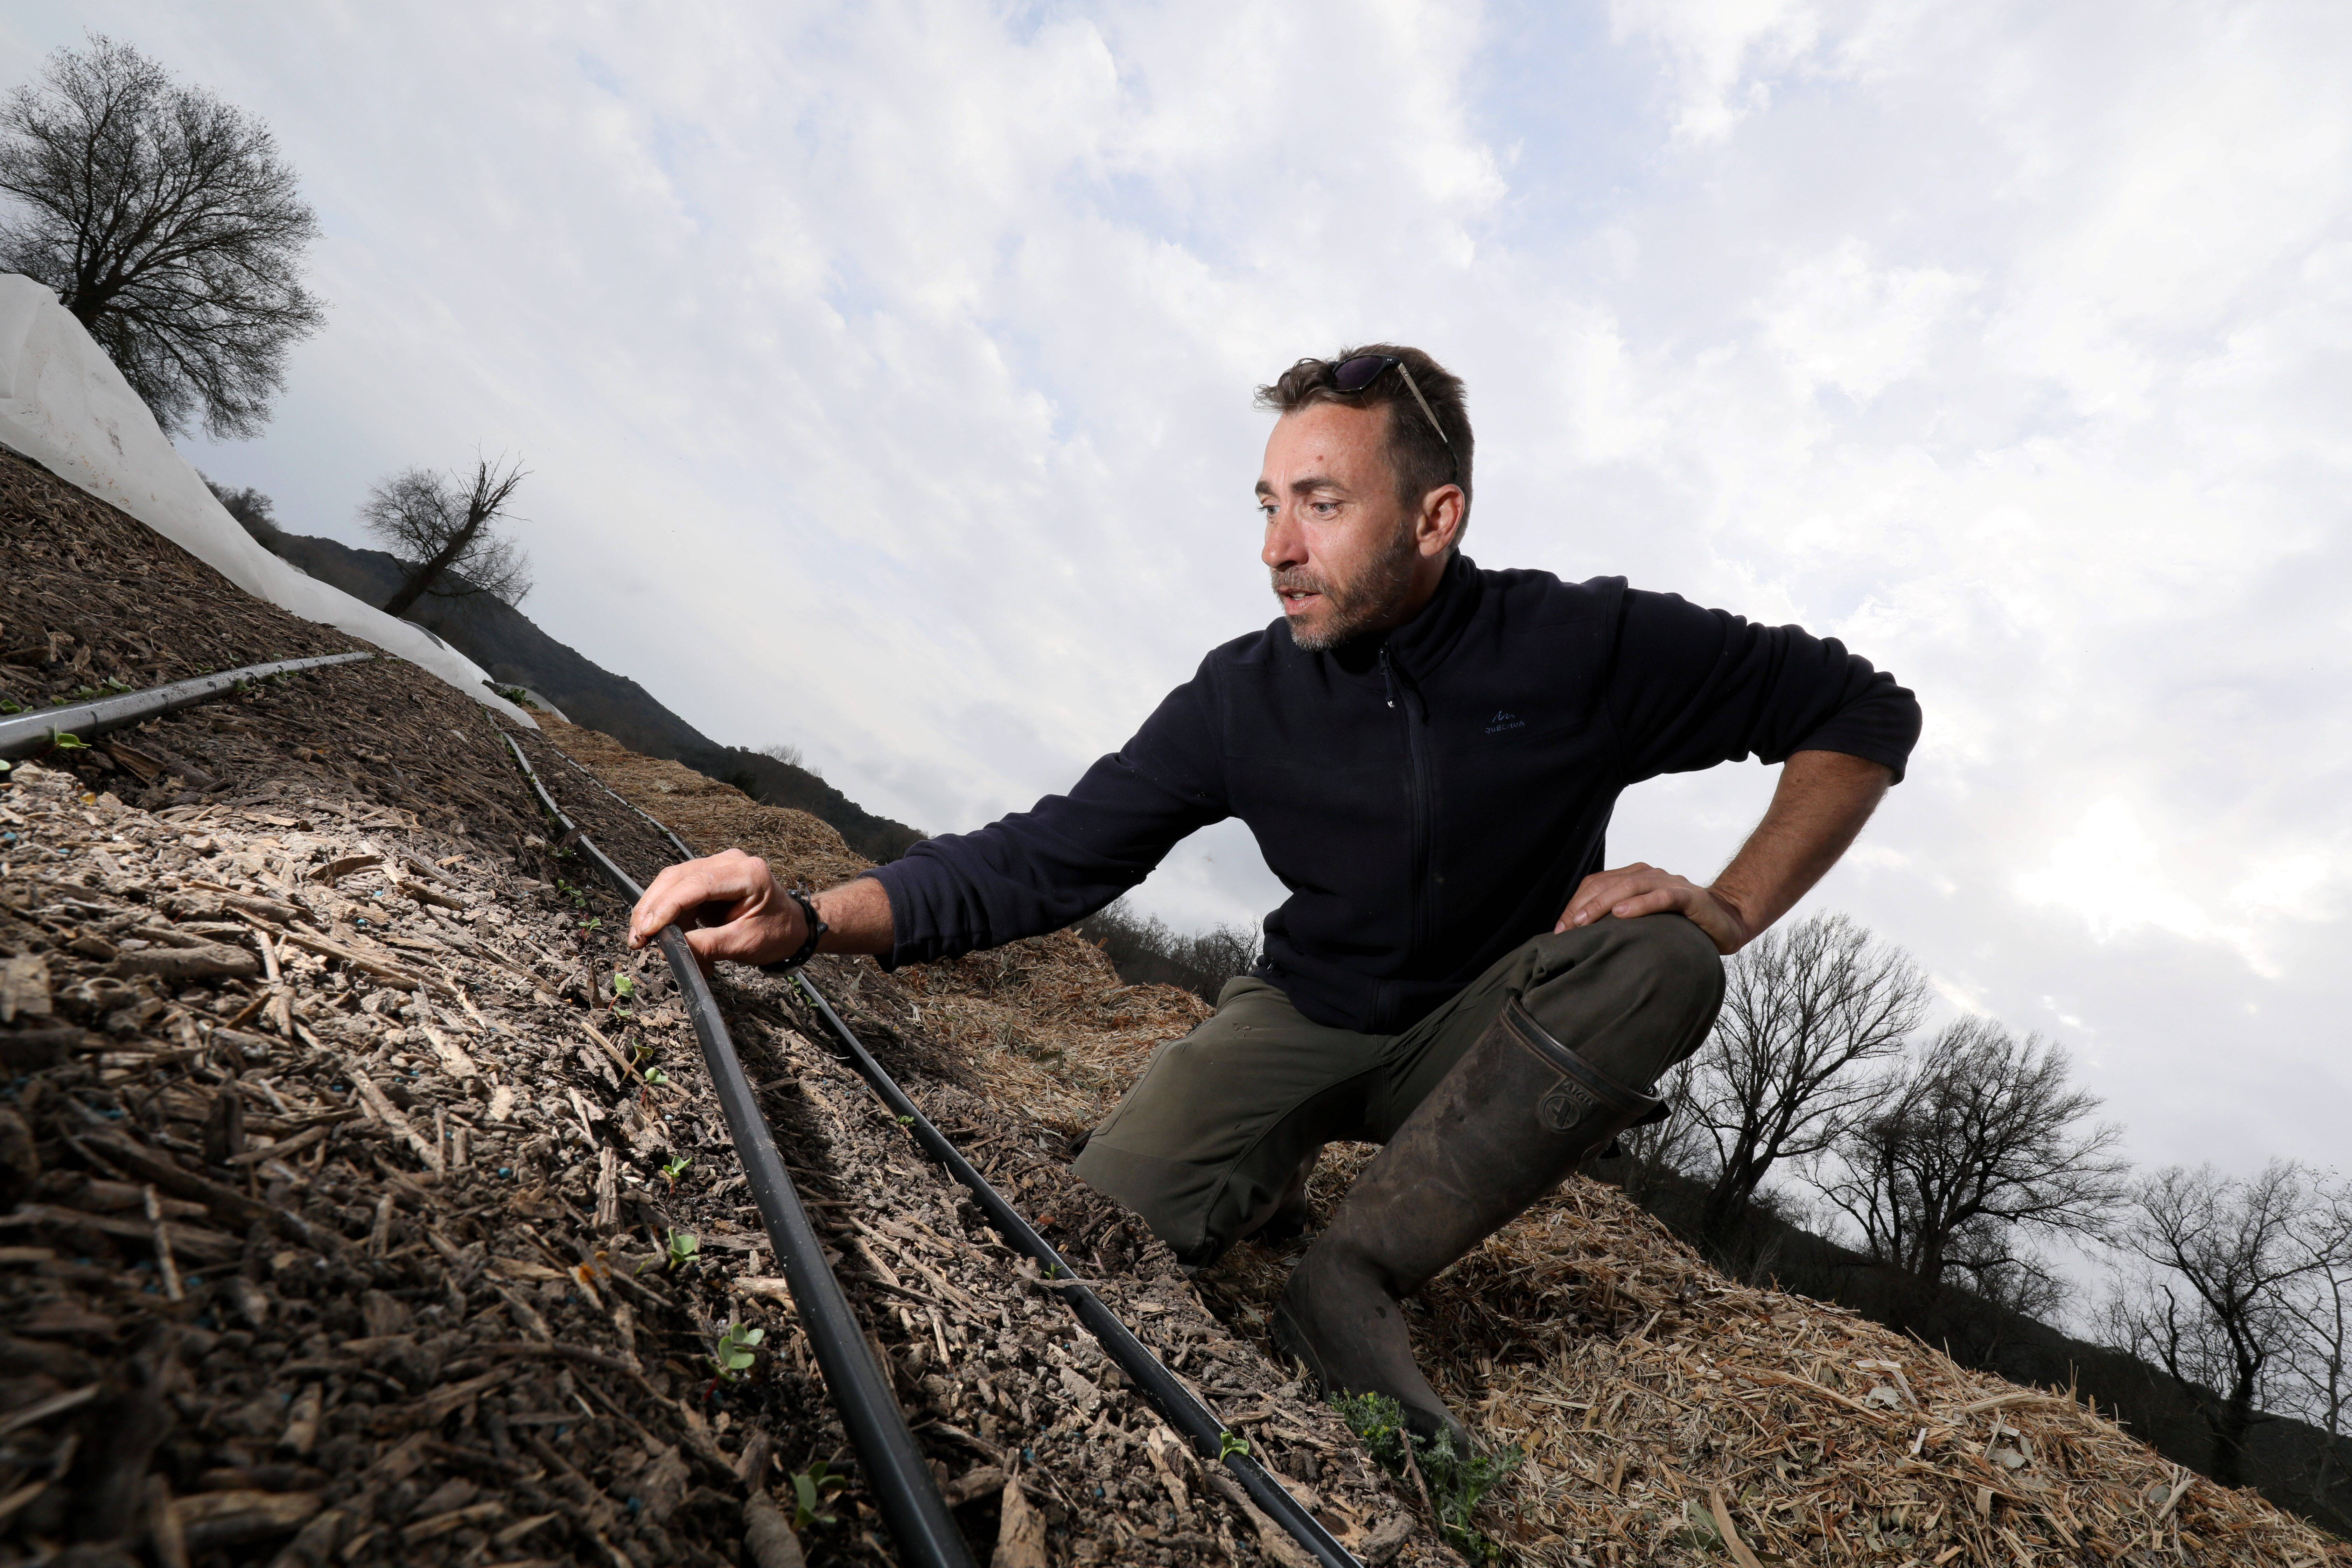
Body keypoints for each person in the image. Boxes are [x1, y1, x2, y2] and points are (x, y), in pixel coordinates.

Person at [628, 345, 1921, 1449]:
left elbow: (1860, 711)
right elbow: (1050, 853)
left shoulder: (1581, 644)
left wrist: (1732, 905)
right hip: (1304, 1011)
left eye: (1320, 505)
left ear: (1434, 518)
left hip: (1487, 1034)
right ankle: (1265, 1170)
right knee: (1098, 1232)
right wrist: (812, 917)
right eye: (1267, 505)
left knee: (1667, 961)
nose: (1276, 550)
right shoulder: (1241, 697)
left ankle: (1352, 1278)